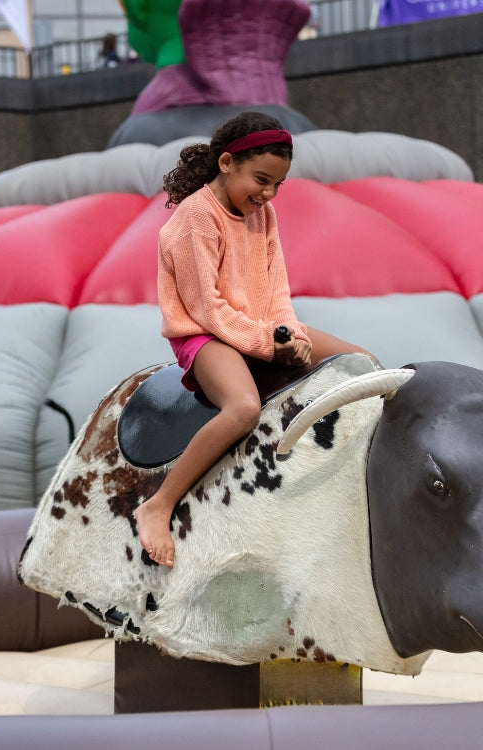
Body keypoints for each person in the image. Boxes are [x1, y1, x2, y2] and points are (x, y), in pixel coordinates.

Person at [134, 111, 374, 568]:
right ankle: (159, 504)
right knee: (242, 408)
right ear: (227, 163)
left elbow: (276, 289)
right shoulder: (196, 218)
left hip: (260, 326)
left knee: (363, 365)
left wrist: (290, 336)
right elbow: (209, 309)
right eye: (261, 179)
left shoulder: (264, 214)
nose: (267, 193)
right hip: (205, 334)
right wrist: (270, 345)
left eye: (278, 184)